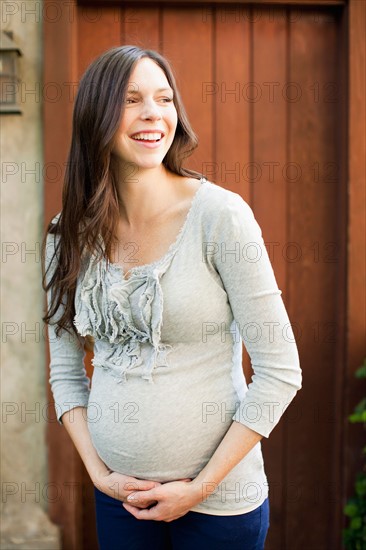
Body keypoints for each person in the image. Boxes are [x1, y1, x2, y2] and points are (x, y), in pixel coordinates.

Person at [42, 45, 302, 550]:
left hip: (219, 506)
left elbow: (280, 369)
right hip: (121, 501)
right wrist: (100, 475)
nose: (153, 114)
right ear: (96, 114)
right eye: (132, 99)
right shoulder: (64, 235)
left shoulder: (220, 217)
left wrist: (197, 489)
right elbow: (66, 373)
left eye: (164, 98)